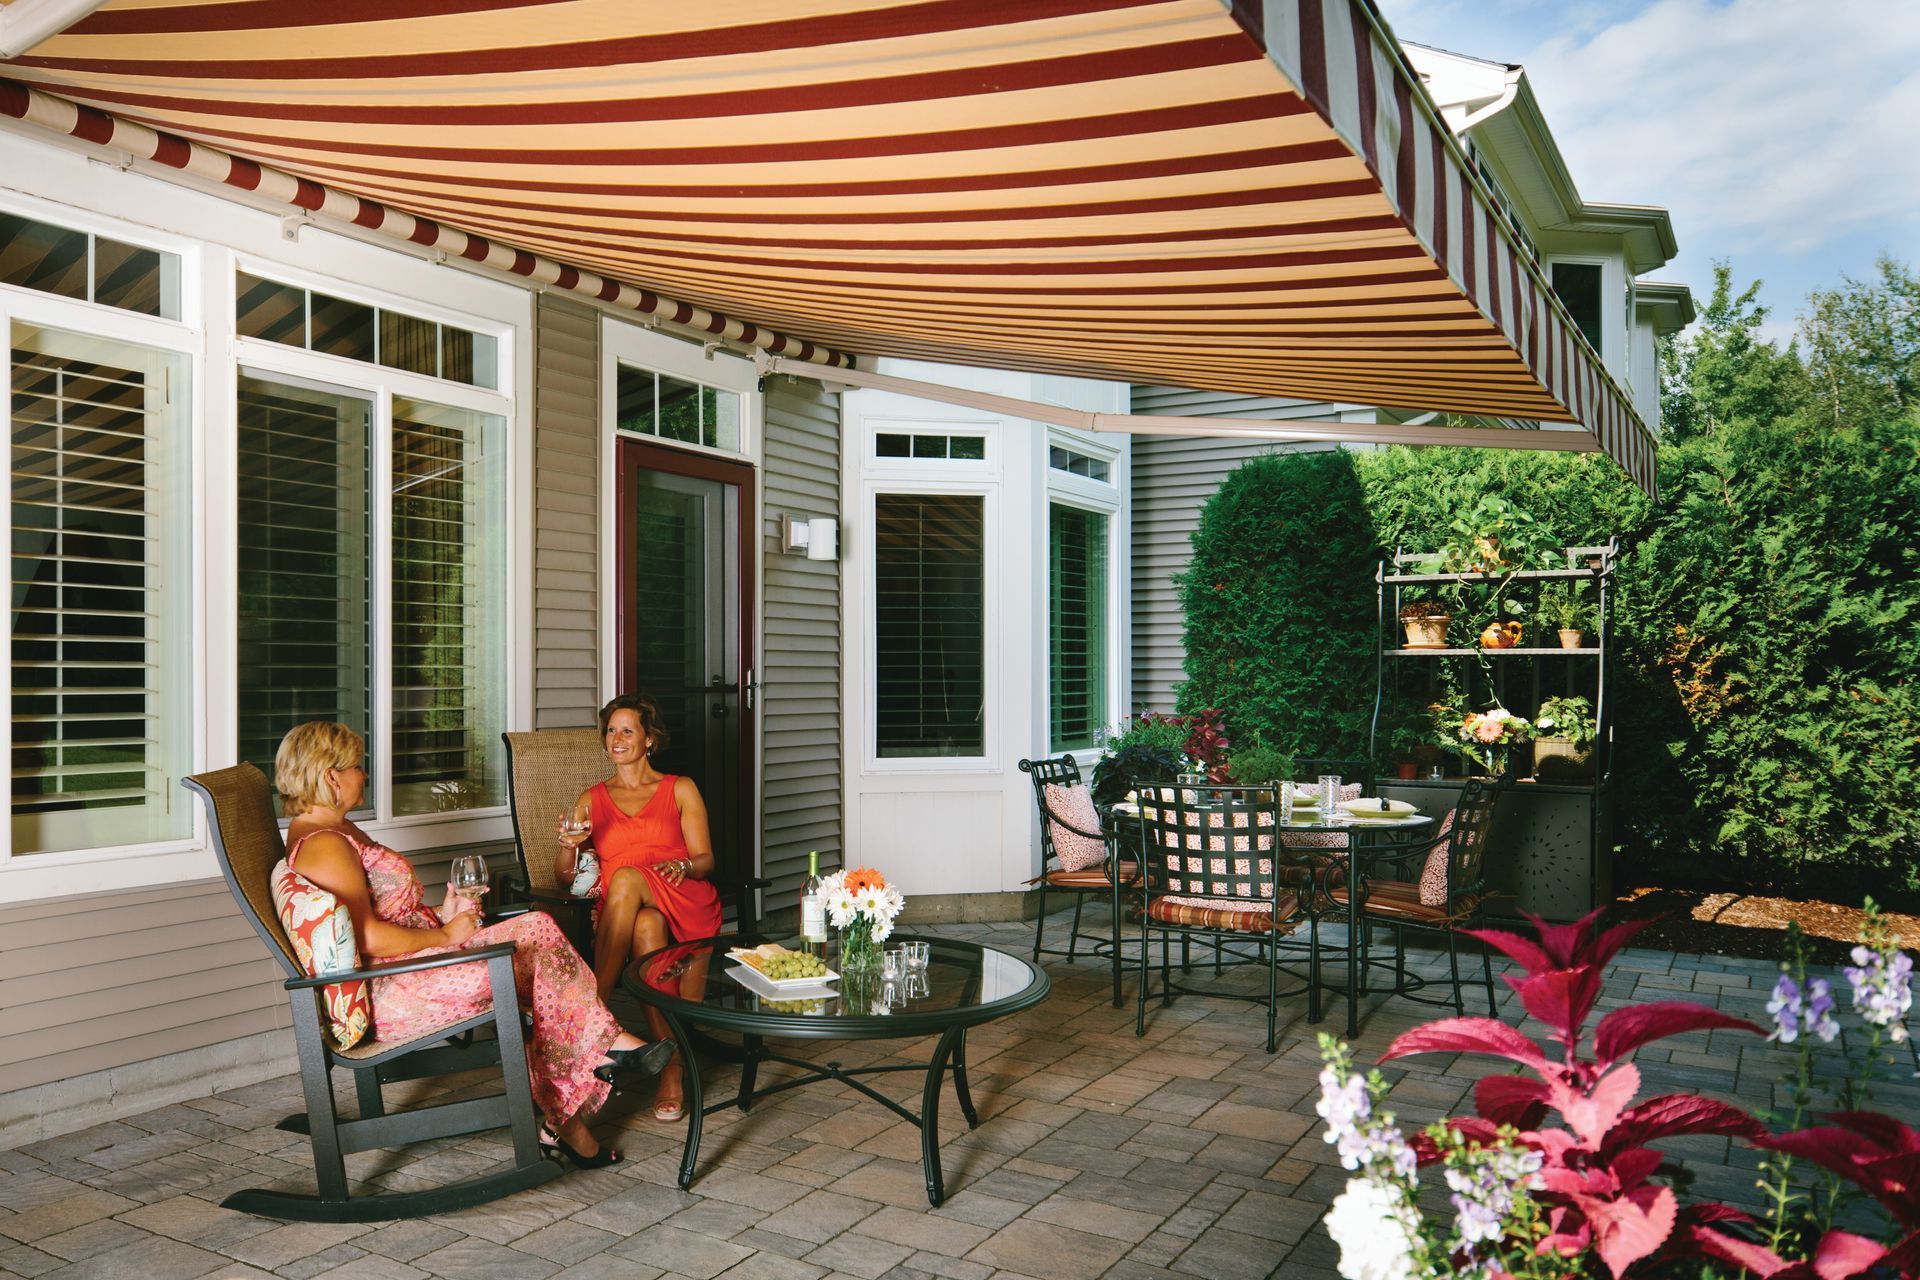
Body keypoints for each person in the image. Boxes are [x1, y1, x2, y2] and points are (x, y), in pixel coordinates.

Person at [275, 721, 670, 1169]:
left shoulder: (337, 830)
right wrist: (445, 935)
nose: (364, 775)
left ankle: (580, 1100)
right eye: (358, 766)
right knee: (537, 953)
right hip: (395, 990)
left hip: (417, 964)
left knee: (538, 938)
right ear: (331, 776)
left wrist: (442, 916)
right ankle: (599, 1059)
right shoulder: (325, 845)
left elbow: (379, 918)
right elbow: (365, 936)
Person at [555, 694, 722, 1121]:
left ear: (650, 739)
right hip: (627, 914)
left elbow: (705, 860)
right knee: (646, 925)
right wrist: (568, 849)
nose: (617, 738)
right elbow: (564, 878)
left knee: (627, 877)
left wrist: (682, 863)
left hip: (681, 894)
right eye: (611, 730)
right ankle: (671, 1067)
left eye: (628, 730)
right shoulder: (591, 799)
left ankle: (595, 1010)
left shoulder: (679, 788)